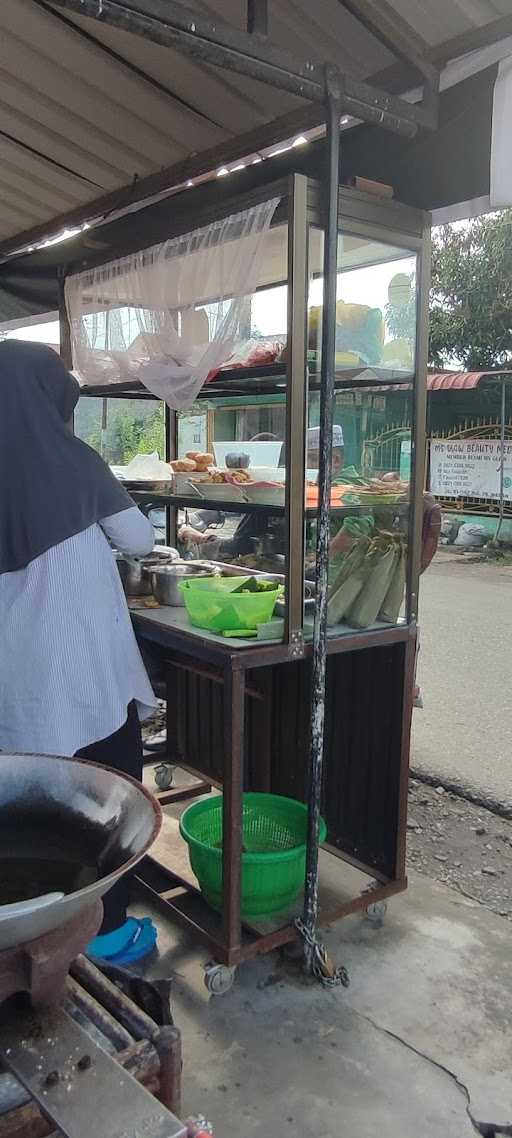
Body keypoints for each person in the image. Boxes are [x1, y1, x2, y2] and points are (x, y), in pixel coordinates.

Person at [0, 341, 159, 965]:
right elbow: (142, 538)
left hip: (17, 685)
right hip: (83, 675)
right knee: (108, 798)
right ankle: (108, 931)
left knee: (35, 812)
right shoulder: (74, 463)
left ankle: (36, 928)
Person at [179, 425, 345, 557]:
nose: (305, 465)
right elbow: (244, 542)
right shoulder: (303, 485)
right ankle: (204, 541)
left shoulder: (347, 486)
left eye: (313, 458)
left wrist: (316, 563)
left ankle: (202, 541)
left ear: (335, 461)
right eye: (303, 458)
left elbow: (352, 532)